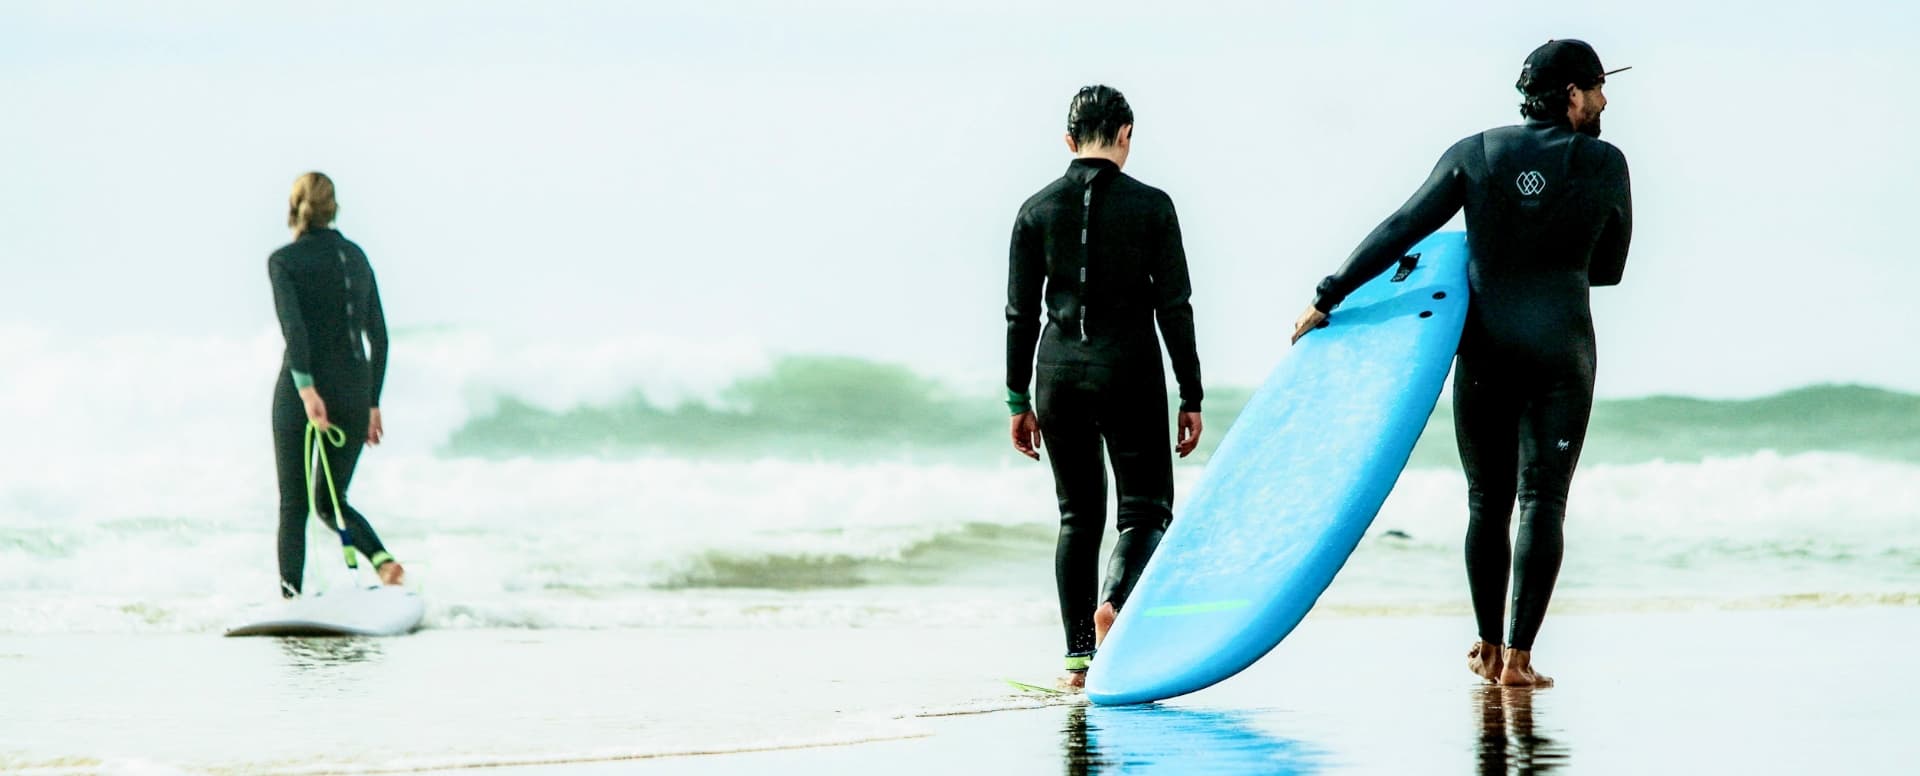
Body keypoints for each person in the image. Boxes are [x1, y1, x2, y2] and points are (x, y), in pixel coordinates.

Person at [1291, 40, 1633, 686]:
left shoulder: (1473, 154)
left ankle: (1487, 646)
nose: (1605, 99)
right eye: (1597, 87)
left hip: (1486, 350)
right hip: (1563, 354)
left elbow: (1404, 227)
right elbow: (1609, 270)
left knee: (1486, 502)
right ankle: (1522, 660)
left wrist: (1327, 295)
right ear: (1570, 97)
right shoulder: (1607, 164)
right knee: (1542, 502)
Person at [1005, 85, 1205, 688]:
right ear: (1126, 135)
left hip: (1057, 375)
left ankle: (1077, 658)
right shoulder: (1153, 206)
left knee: (1077, 517)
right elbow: (1176, 305)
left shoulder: (1035, 210)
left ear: (1069, 142)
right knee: (1144, 510)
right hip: (1129, 371)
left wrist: (1018, 398)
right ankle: (1114, 602)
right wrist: (1190, 393)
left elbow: (1021, 314)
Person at [268, 172, 405, 597]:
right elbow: (378, 335)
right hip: (353, 391)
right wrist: (372, 403)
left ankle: (291, 598)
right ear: (334, 209)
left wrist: (308, 392)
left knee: (295, 506)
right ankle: (383, 563)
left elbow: (296, 331)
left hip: (300, 395)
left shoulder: (284, 261)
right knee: (330, 502)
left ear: (293, 209)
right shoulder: (355, 257)